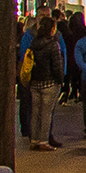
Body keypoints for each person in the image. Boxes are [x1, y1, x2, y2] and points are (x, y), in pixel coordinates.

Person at [26, 15, 65, 151]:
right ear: (52, 29)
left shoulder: (34, 43)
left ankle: (34, 140)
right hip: (49, 82)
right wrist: (60, 81)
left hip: (35, 82)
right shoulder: (53, 45)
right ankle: (43, 140)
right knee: (46, 113)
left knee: (35, 112)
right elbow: (57, 66)